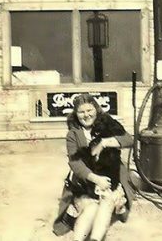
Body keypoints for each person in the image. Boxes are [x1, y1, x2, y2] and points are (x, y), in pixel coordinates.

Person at [53, 93, 134, 241]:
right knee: (91, 209)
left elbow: (128, 140)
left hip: (111, 179)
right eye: (81, 112)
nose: (86, 115)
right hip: (86, 182)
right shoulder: (73, 134)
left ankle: (95, 239)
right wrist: (96, 179)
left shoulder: (107, 122)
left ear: (96, 109)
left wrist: (104, 143)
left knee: (106, 203)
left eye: (89, 110)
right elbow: (75, 163)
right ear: (76, 115)